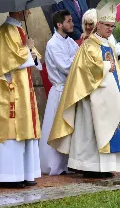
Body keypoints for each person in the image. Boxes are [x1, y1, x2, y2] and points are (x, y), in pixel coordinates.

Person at [48, 1, 120, 179]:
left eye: (113, 26)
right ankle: (89, 167)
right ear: (98, 24)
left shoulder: (109, 45)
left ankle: (105, 167)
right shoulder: (89, 45)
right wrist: (106, 65)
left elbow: (115, 70)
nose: (111, 29)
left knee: (109, 131)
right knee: (91, 133)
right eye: (107, 25)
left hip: (109, 98)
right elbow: (85, 69)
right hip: (92, 98)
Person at [0, 10, 42, 188]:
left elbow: (33, 57)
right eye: (27, 8)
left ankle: (25, 173)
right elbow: (8, 60)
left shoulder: (19, 29)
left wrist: (31, 52)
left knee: (24, 131)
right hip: (11, 90)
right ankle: (8, 176)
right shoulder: (5, 31)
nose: (29, 12)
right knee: (11, 134)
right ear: (18, 10)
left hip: (24, 89)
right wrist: (28, 51)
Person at [39, 10, 79, 176]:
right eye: (69, 21)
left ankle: (68, 163)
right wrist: (77, 58)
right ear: (59, 24)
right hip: (60, 89)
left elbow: (79, 57)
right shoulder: (52, 44)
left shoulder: (70, 42)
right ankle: (53, 165)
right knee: (56, 129)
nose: (72, 24)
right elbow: (66, 66)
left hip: (70, 89)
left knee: (70, 128)